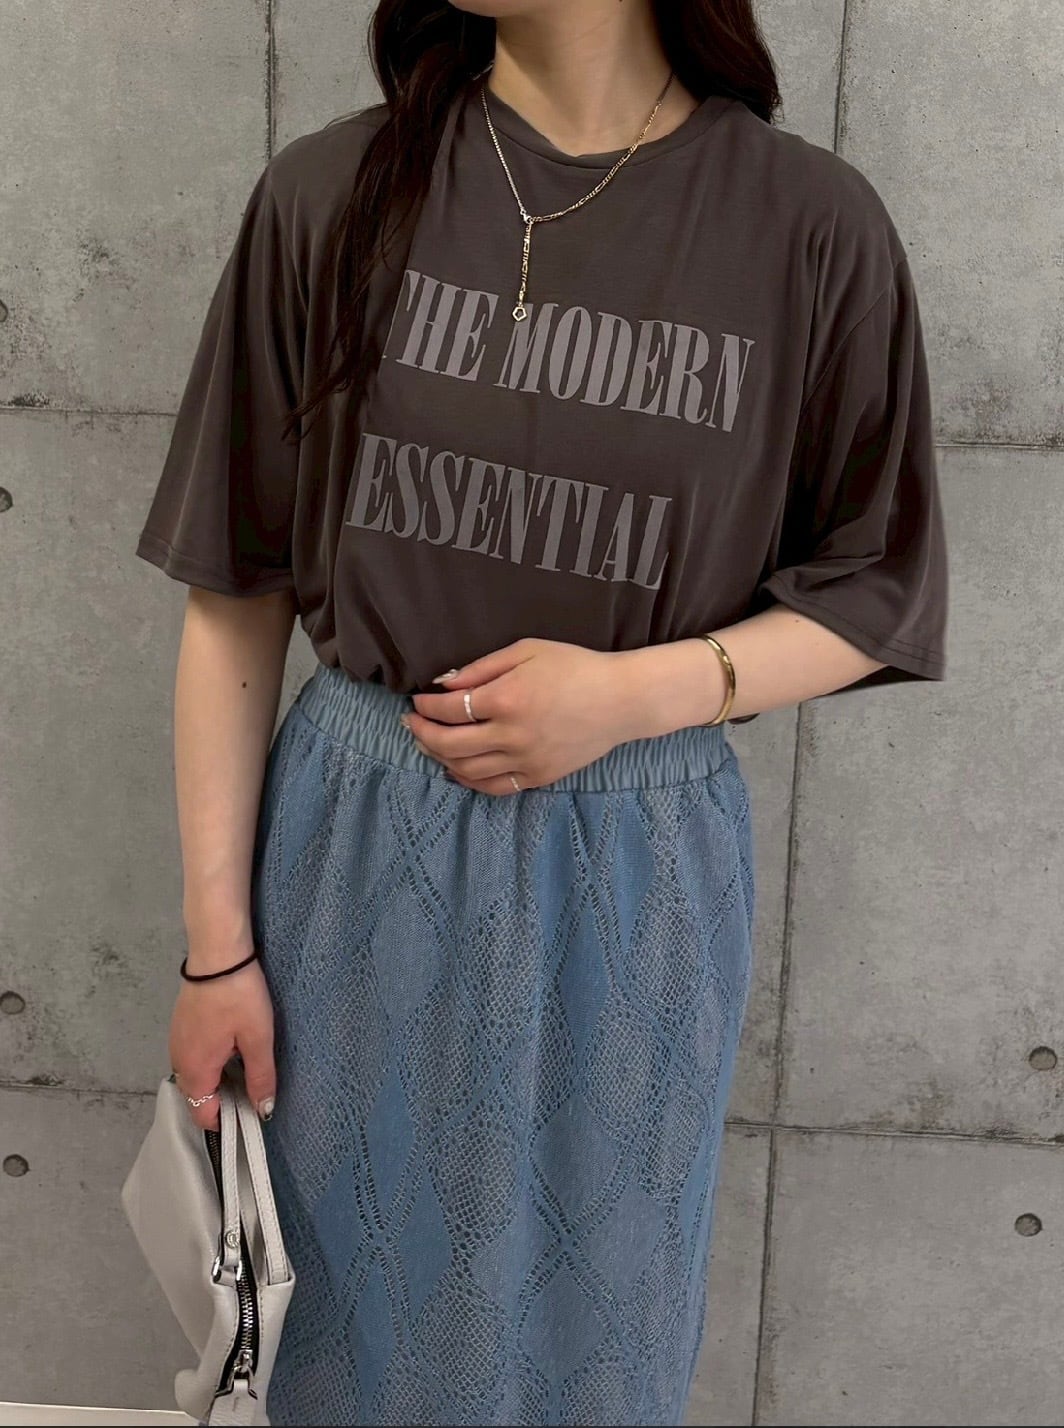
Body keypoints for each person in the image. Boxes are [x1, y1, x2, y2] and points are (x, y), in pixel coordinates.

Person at [136, 1, 949, 1423]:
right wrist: (217, 951)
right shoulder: (334, 190)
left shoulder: (808, 226)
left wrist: (635, 694)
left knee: (600, 1328)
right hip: (357, 848)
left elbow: (875, 585)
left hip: (641, 863)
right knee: (343, 1334)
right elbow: (235, 594)